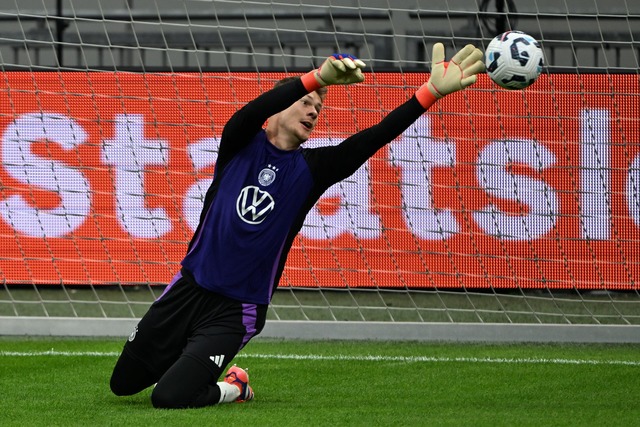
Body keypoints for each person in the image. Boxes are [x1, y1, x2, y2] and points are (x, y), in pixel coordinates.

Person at [109, 43, 484, 409]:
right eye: (306, 102)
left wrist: (431, 91)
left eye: (319, 106)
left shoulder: (312, 170)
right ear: (278, 110)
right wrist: (317, 77)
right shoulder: (239, 142)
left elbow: (376, 136)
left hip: (236, 309)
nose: (314, 110)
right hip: (187, 290)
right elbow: (255, 109)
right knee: (123, 385)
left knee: (168, 397)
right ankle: (191, 364)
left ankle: (234, 388)